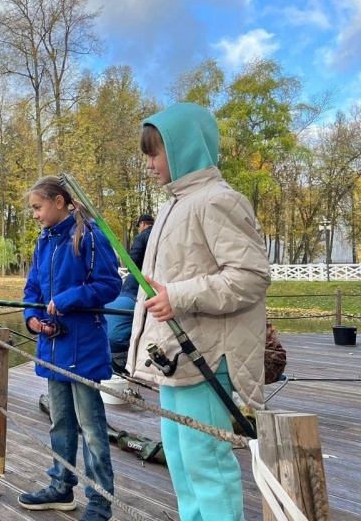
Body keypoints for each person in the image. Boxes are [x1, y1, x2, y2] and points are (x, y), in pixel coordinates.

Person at [126, 103, 270, 521]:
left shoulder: (219, 200)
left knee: (207, 462)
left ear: (183, 147)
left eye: (155, 153)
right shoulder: (174, 204)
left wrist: (181, 296)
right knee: (181, 461)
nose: (150, 164)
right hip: (177, 359)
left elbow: (250, 276)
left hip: (209, 356)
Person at [19, 176, 122, 521]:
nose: (34, 215)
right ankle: (61, 487)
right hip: (52, 346)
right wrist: (32, 317)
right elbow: (32, 287)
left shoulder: (90, 236)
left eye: (37, 207)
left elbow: (109, 285)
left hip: (84, 348)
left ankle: (99, 503)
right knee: (60, 423)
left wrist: (67, 299)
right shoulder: (43, 241)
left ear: (58, 202)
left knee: (92, 429)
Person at [105, 213, 154, 368]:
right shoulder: (161, 234)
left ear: (142, 224)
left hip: (105, 348)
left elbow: (133, 260)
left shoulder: (141, 237)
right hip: (156, 282)